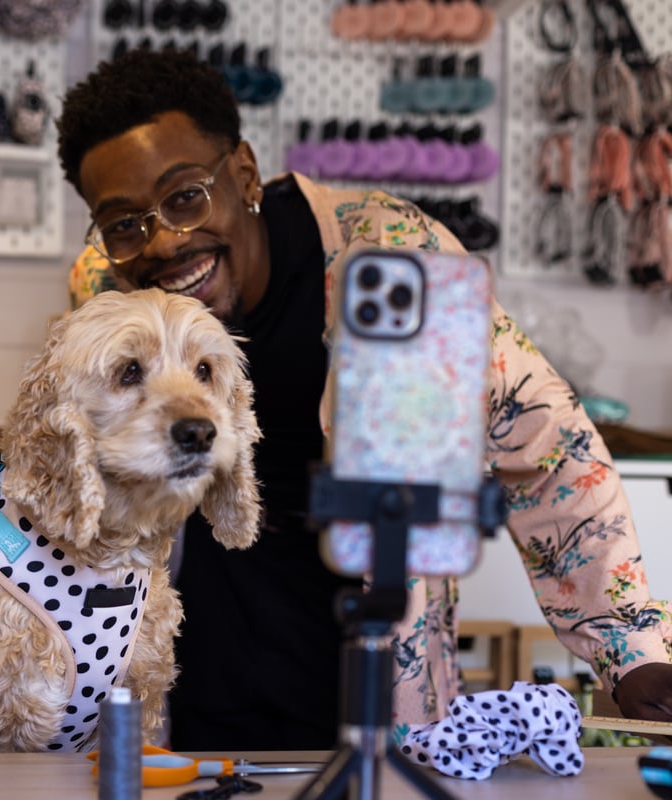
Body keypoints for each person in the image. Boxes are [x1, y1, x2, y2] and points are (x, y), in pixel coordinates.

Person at [55, 48, 672, 751]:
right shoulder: (103, 290)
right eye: (123, 223)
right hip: (194, 652)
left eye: (185, 195)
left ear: (245, 174)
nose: (162, 239)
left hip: (375, 652)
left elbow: (548, 451)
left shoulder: (391, 254)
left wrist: (629, 652)